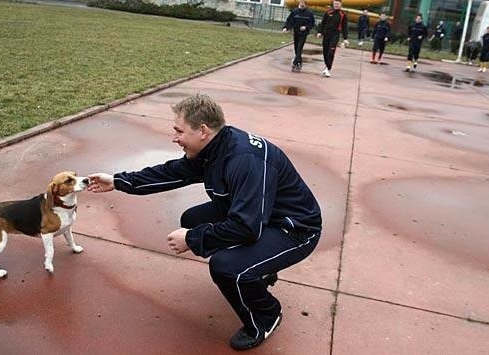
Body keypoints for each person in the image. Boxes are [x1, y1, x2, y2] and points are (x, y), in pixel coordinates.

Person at [87, 94, 322, 351]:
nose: (174, 137)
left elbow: (247, 227)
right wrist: (119, 182)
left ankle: (266, 316)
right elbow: (172, 172)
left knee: (226, 267)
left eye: (179, 130)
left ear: (202, 130)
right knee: (193, 219)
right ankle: (256, 266)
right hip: (259, 217)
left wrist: (192, 239)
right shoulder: (215, 147)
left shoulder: (244, 160)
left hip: (296, 229)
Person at [316, 0, 349, 77]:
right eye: (335, 4)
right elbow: (323, 23)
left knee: (331, 51)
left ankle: (328, 68)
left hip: (335, 35)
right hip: (326, 34)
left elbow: (345, 27)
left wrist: (345, 38)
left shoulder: (343, 14)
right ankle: (327, 65)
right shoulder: (328, 12)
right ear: (333, 4)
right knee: (325, 51)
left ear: (341, 4)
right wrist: (319, 32)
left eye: (338, 4)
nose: (336, 5)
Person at [282, 0, 315, 72]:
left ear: (306, 5)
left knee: (300, 47)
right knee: (296, 48)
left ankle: (295, 62)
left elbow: (312, 23)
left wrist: (306, 27)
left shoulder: (309, 13)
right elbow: (290, 21)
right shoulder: (295, 12)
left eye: (303, 3)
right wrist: (286, 27)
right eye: (301, 3)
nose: (302, 5)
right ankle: (299, 62)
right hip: (296, 33)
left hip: (304, 34)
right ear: (299, 4)